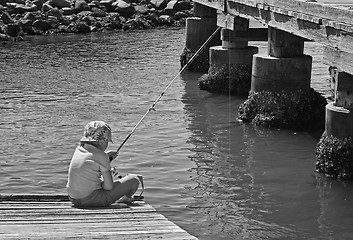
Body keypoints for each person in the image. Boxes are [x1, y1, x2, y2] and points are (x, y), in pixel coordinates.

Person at [66, 120, 140, 207]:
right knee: (134, 179)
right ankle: (125, 199)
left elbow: (91, 162)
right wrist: (105, 161)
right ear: (101, 141)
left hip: (73, 198)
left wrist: (105, 157)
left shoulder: (79, 149)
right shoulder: (102, 157)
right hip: (92, 200)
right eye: (107, 141)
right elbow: (108, 187)